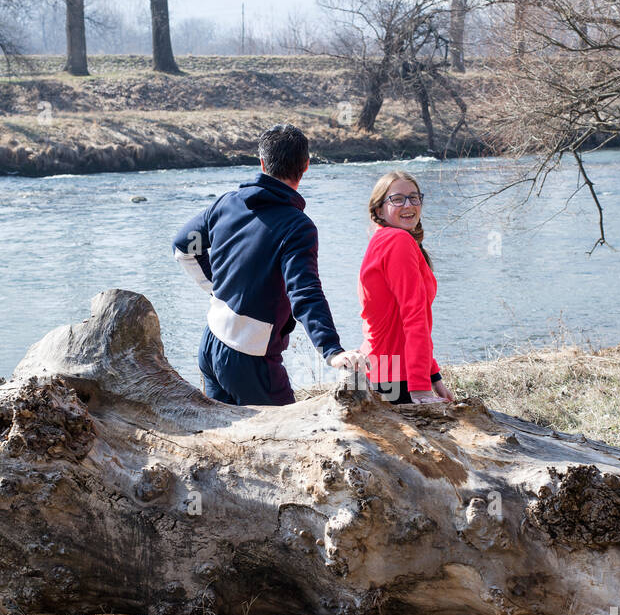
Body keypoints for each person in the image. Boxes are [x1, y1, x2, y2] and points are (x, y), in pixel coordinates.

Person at [172, 123, 363, 405]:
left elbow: (183, 246)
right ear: (306, 166)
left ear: (262, 163)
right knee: (291, 442)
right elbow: (304, 292)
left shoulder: (227, 203)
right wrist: (331, 350)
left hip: (210, 343)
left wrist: (217, 290)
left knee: (227, 442)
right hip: (250, 358)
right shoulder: (298, 227)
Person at [358, 170, 454, 406]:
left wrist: (434, 376)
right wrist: (420, 388)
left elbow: (404, 320)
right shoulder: (397, 242)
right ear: (379, 210)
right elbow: (414, 317)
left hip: (381, 370)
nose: (408, 204)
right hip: (394, 377)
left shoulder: (384, 240)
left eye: (414, 197)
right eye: (397, 199)